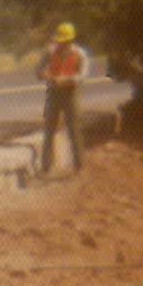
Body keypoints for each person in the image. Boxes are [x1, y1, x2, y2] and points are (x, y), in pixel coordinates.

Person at [35, 21, 89, 174]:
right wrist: (44, 75)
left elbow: (82, 76)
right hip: (54, 93)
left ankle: (79, 165)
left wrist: (65, 80)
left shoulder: (79, 53)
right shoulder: (50, 51)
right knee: (49, 128)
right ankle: (46, 165)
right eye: (58, 40)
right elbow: (38, 69)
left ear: (69, 40)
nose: (59, 43)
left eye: (62, 40)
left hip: (70, 93)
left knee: (73, 129)